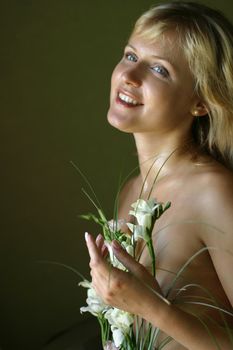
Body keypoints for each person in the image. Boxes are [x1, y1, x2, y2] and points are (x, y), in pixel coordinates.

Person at [85, 1, 233, 349]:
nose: (128, 76)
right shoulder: (131, 191)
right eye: (131, 56)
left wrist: (152, 306)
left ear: (201, 102)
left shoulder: (214, 192)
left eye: (160, 70)